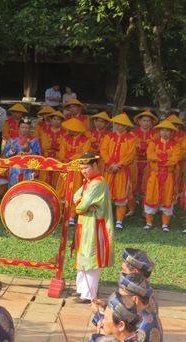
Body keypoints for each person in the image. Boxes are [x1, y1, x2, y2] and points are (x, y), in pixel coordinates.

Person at [72, 153, 115, 303]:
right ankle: (81, 289)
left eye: (86, 168)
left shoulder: (98, 183)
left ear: (95, 166)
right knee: (83, 255)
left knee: (92, 257)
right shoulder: (88, 182)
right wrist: (82, 204)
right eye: (81, 168)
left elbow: (81, 205)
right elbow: (76, 197)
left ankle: (89, 293)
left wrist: (82, 205)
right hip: (86, 224)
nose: (83, 171)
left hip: (94, 225)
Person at [100, 112, 136, 229]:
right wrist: (110, 164)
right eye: (116, 124)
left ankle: (119, 220)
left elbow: (130, 155)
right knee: (106, 193)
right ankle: (105, 217)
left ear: (125, 126)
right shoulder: (109, 136)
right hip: (109, 170)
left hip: (122, 171)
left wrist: (118, 166)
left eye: (120, 124)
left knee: (121, 195)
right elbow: (103, 150)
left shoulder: (131, 138)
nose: (117, 126)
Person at [144, 119, 180, 231]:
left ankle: (165, 224)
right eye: (162, 130)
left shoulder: (175, 145)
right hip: (154, 175)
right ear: (159, 131)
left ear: (171, 132)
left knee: (167, 197)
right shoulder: (153, 143)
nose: (164, 133)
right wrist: (166, 157)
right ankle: (149, 222)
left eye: (167, 131)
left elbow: (175, 159)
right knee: (151, 195)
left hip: (168, 175)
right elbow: (150, 155)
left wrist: (157, 157)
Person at [57, 117, 91, 224]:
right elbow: (61, 154)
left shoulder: (86, 140)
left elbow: (84, 157)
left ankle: (72, 216)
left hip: (78, 171)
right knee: (62, 190)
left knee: (76, 191)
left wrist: (69, 154)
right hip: (65, 168)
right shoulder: (65, 138)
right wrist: (75, 155)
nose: (69, 130)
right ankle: (60, 214)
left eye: (71, 129)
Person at [130, 110, 159, 216]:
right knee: (133, 184)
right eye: (144, 120)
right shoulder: (133, 132)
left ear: (152, 122)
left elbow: (154, 149)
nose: (146, 123)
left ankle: (144, 209)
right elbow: (132, 148)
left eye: (148, 121)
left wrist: (140, 146)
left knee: (146, 185)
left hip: (149, 163)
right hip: (135, 162)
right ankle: (131, 209)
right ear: (139, 121)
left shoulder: (156, 134)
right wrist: (146, 148)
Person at [4, 116, 40, 187]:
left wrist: (29, 151)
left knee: (27, 187)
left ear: (29, 129)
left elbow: (38, 156)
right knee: (13, 187)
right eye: (22, 127)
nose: (24, 129)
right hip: (14, 168)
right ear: (19, 128)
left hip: (28, 168)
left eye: (27, 128)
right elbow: (5, 154)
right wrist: (12, 150)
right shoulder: (12, 140)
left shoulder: (33, 141)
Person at [39, 111, 66, 184]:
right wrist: (57, 146)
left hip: (58, 159)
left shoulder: (65, 133)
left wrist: (51, 145)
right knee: (44, 178)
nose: (56, 121)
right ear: (51, 120)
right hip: (46, 157)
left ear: (61, 121)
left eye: (58, 119)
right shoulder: (45, 131)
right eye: (54, 119)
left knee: (56, 179)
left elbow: (64, 147)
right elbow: (44, 146)